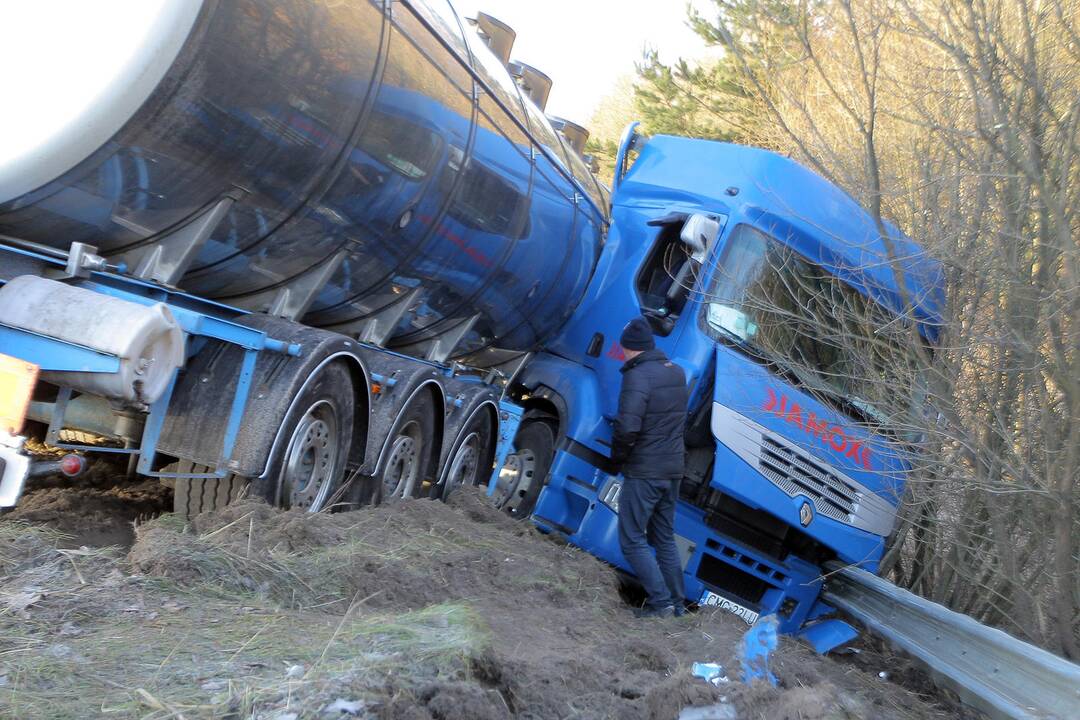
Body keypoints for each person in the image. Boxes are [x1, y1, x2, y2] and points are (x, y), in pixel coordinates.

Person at [611, 316, 690, 618]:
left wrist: (617, 458)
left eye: (625, 349)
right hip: (672, 470)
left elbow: (628, 427)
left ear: (631, 348)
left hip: (645, 469)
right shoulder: (676, 373)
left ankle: (661, 606)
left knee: (631, 540)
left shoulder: (638, 377)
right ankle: (678, 607)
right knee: (664, 538)